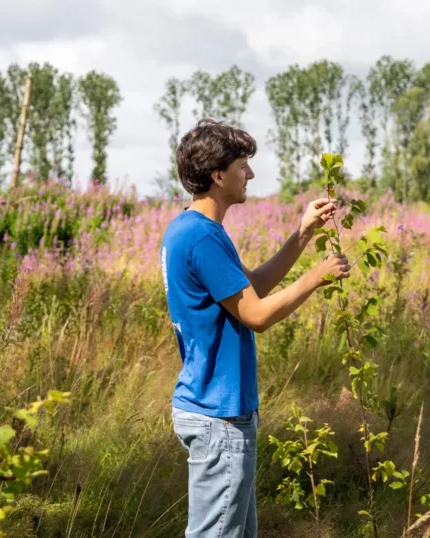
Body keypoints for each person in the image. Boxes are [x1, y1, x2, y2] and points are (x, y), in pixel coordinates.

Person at [160, 119, 350, 538]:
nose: (250, 174)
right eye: (243, 164)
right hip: (218, 416)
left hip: (217, 411)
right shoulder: (202, 239)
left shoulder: (195, 229)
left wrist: (301, 236)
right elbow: (256, 315)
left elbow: (253, 289)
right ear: (218, 174)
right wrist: (315, 277)